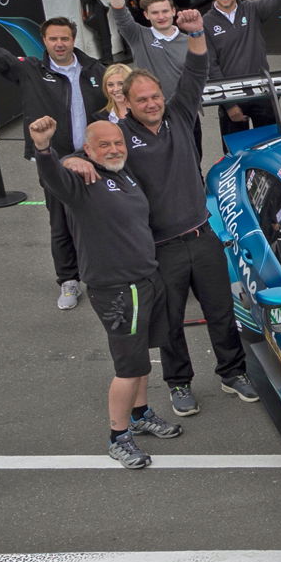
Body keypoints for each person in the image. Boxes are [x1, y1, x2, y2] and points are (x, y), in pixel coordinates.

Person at [103, 12, 257, 417]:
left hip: (202, 237)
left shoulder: (180, 113)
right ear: (127, 103)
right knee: (169, 322)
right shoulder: (121, 137)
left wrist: (196, 33)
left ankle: (233, 373)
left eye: (155, 96)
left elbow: (196, 69)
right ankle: (179, 383)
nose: (151, 103)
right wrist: (69, 161)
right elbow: (90, 153)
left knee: (221, 311)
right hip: (160, 248)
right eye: (142, 100)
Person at [27, 113, 182, 468]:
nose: (113, 149)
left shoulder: (123, 172)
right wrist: (45, 149)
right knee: (128, 367)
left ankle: (140, 415)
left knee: (141, 357)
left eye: (117, 143)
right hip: (117, 290)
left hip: (145, 279)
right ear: (88, 149)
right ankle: (118, 437)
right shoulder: (81, 181)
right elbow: (53, 178)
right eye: (104, 145)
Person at [0, 1, 106, 310]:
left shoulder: (96, 70)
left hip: (94, 159)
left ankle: (104, 272)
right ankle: (68, 280)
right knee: (60, 223)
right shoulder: (30, 70)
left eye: (65, 38)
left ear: (74, 40)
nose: (59, 44)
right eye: (53, 39)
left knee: (102, 216)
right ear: (44, 41)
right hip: (54, 161)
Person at [201, 0, 281, 141]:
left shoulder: (251, 9)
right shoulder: (205, 22)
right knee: (236, 151)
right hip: (232, 97)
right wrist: (229, 105)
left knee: (270, 144)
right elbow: (211, 66)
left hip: (262, 93)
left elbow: (273, 1)